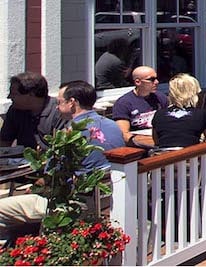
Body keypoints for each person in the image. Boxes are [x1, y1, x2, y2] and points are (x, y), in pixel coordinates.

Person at [0, 81, 125, 240]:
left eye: (59, 102)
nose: (57, 108)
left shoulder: (69, 134)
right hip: (106, 198)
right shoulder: (112, 125)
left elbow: (51, 180)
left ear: (72, 103)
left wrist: (36, 187)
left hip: (74, 204)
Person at [0, 72, 67, 149]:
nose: (9, 97)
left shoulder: (59, 112)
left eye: (14, 94)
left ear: (31, 94)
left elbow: (63, 148)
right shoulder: (15, 111)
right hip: (22, 159)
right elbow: (4, 142)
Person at [151, 74, 206, 148]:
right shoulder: (201, 114)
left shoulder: (159, 114)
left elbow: (157, 142)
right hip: (190, 157)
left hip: (165, 157)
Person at [112, 65, 168, 148]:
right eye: (151, 79)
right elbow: (124, 134)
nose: (156, 82)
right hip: (139, 147)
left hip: (161, 143)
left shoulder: (160, 98)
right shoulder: (123, 103)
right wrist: (150, 143)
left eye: (156, 78)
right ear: (138, 82)